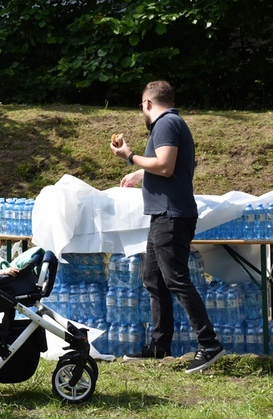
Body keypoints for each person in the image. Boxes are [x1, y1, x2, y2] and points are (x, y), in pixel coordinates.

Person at [110, 80, 225, 373]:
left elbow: (165, 166)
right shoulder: (174, 123)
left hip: (171, 215)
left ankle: (209, 344)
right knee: (154, 279)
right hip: (165, 214)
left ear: (147, 104)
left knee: (176, 280)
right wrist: (139, 172)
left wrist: (129, 156)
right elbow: (177, 164)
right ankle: (160, 346)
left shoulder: (165, 123)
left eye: (142, 106)